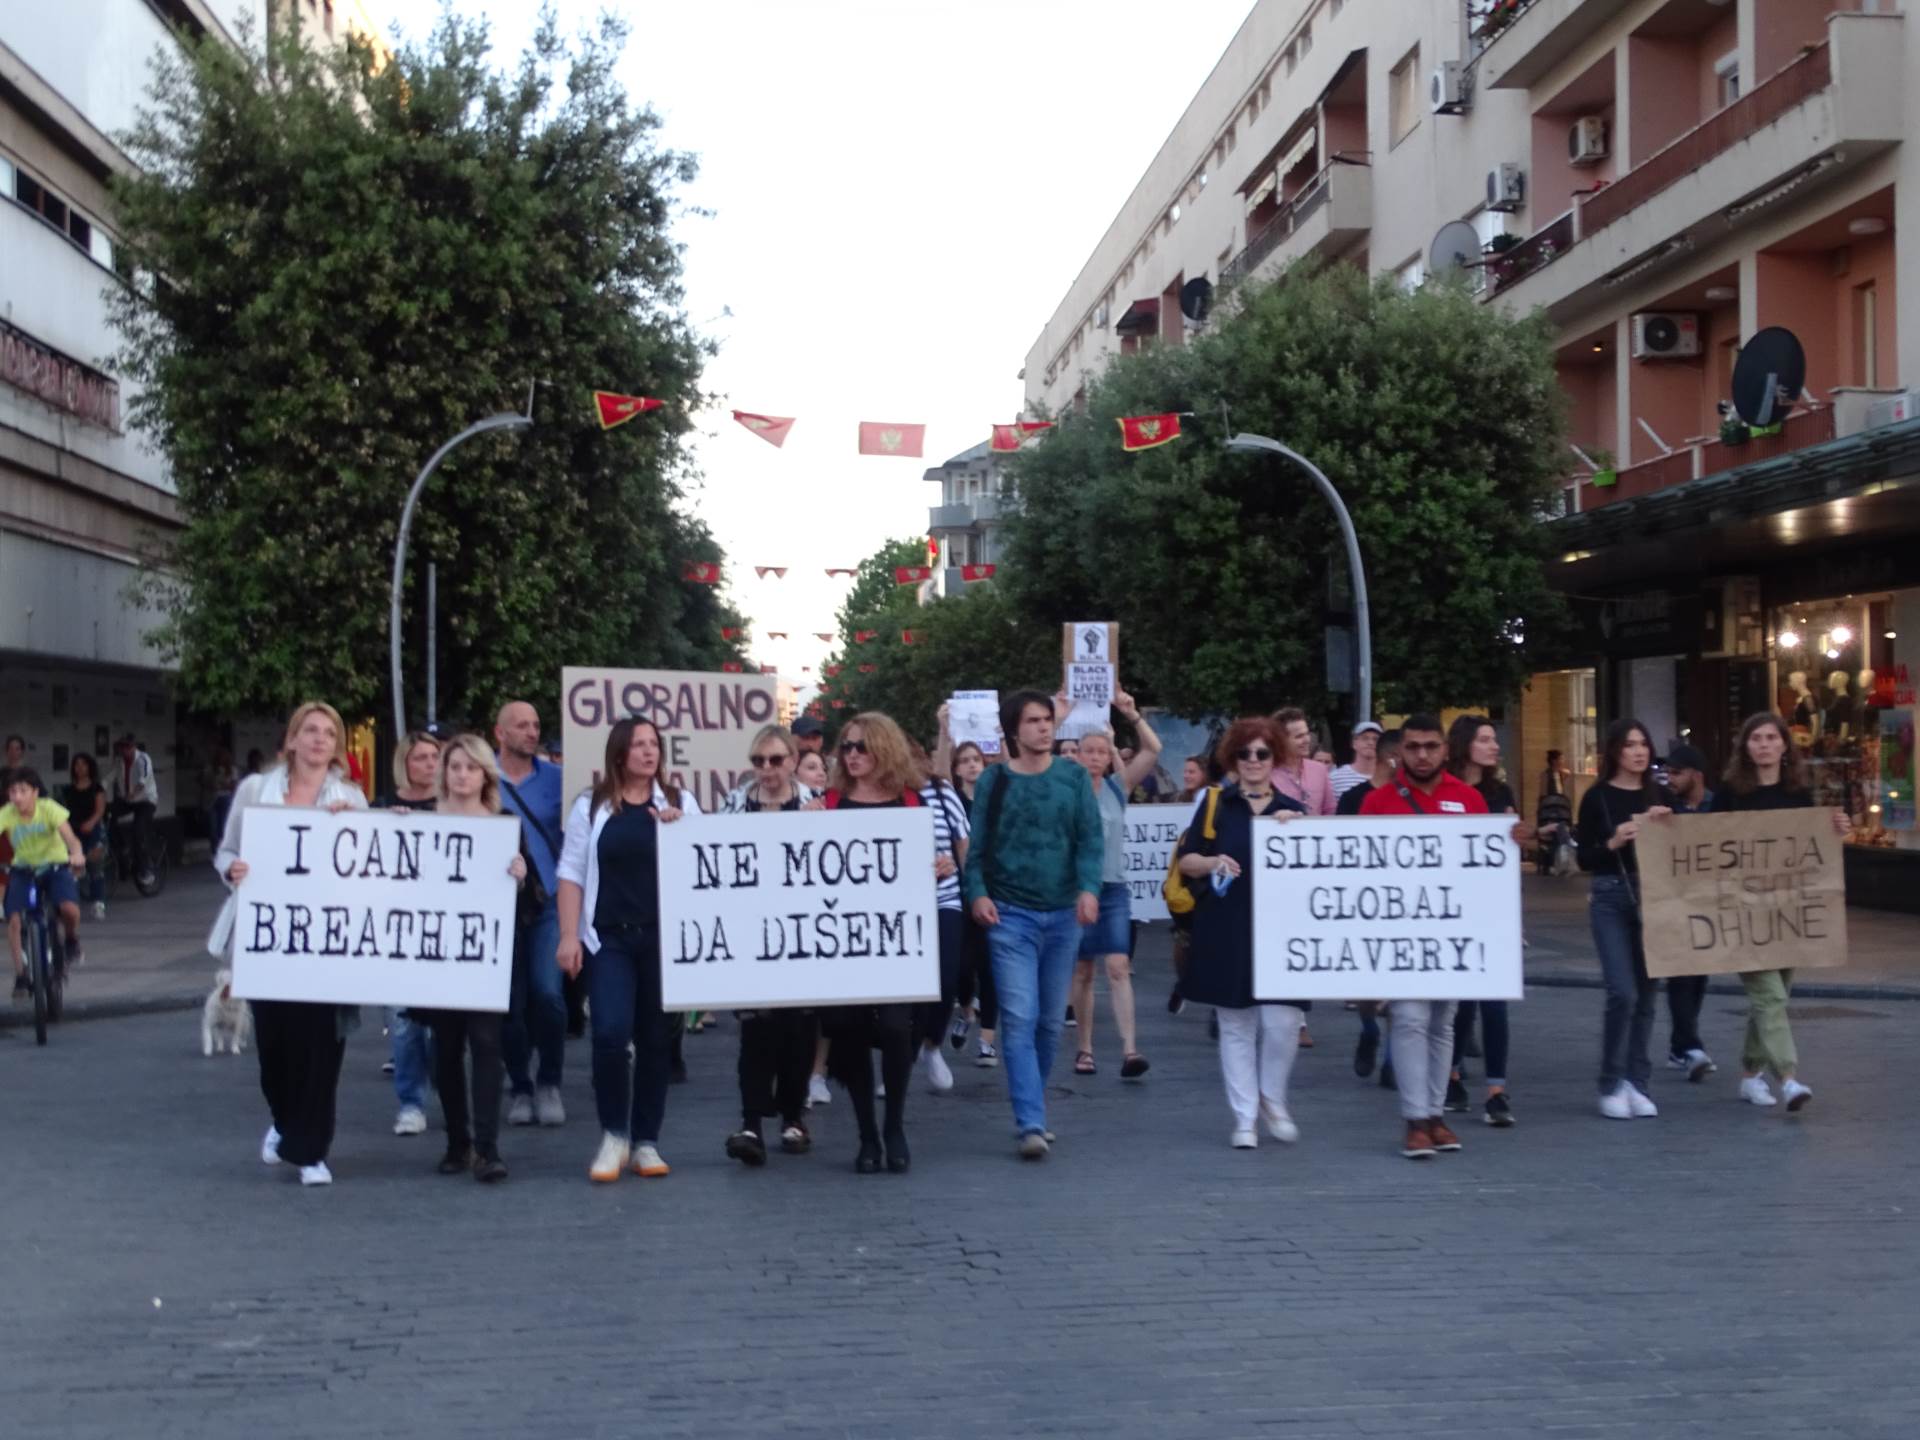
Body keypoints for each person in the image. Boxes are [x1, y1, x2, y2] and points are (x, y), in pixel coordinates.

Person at [215, 702, 367, 1186]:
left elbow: (369, 863)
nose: (320, 739)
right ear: (293, 739)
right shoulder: (256, 791)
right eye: (311, 730)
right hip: (269, 941)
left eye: (329, 733)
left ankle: (312, 1148)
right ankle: (284, 1121)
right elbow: (228, 849)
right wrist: (231, 870)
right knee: (276, 1046)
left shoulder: (351, 798)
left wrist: (352, 825)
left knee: (321, 1044)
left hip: (327, 944)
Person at [1360, 714, 1520, 1159]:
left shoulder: (1468, 798)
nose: (1423, 755)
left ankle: (1435, 1114)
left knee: (1441, 1021)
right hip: (1399, 930)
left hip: (1454, 932)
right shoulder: (1378, 803)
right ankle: (1416, 1118)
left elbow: (1488, 868)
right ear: (1400, 751)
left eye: (1431, 746)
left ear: (1445, 750)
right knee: (1410, 1017)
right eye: (1413, 747)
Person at [963, 690, 1102, 1161]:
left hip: (1064, 914)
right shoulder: (994, 781)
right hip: (1010, 915)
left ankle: (1033, 1106)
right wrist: (977, 892)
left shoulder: (1074, 777)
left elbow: (1089, 840)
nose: (1044, 727)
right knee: (1019, 1016)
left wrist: (1089, 888)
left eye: (1047, 719)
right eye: (1033, 721)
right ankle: (1030, 1121)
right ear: (1013, 731)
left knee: (1048, 1021)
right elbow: (976, 846)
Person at [558, 717, 696, 1182]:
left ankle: (646, 1140)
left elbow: (703, 864)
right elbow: (572, 872)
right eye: (638, 745)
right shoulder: (592, 806)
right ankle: (613, 1133)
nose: (648, 752)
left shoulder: (680, 803)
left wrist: (681, 831)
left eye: (654, 744)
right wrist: (568, 934)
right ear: (619, 753)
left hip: (662, 938)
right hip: (609, 938)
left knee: (657, 1039)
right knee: (611, 1034)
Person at [1175, 718, 1309, 1147]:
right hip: (1227, 923)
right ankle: (1245, 1117)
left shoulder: (1292, 809)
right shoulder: (1216, 803)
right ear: (1233, 758)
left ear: (1275, 759)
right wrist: (1214, 863)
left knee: (1283, 1020)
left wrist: (1300, 829)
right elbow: (1187, 860)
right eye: (1244, 753)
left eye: (1262, 753)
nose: (1253, 761)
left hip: (1281, 930)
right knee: (1235, 1023)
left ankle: (1273, 1097)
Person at [1706, 713, 1850, 1114]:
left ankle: (1750, 1077)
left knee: (1774, 996)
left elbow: (1812, 843)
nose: (1764, 745)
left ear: (1785, 746)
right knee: (1769, 996)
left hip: (1787, 912)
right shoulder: (1730, 792)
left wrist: (1835, 826)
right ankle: (1788, 1079)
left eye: (1771, 738)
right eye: (1756, 738)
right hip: (1743, 912)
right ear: (1746, 747)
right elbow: (1703, 843)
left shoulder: (1798, 792)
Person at [815, 713, 928, 1173]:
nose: (853, 754)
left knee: (899, 1029)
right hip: (841, 939)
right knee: (851, 1033)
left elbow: (920, 862)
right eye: (847, 747)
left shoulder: (909, 803)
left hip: (895, 939)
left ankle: (895, 1123)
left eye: (862, 746)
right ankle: (866, 1133)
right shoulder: (829, 803)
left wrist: (936, 866)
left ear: (884, 748)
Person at [420, 734, 528, 1182]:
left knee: (486, 1045)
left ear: (485, 774)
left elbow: (526, 899)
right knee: (445, 1051)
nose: (462, 774)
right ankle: (456, 1142)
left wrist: (520, 876)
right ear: (444, 773)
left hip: (485, 957)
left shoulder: (504, 824)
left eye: (470, 767)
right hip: (437, 958)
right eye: (454, 766)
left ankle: (487, 1147)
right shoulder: (423, 821)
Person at [720, 724, 820, 1166]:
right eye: (758, 761)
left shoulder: (816, 806)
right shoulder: (734, 805)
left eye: (775, 760)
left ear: (793, 761)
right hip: (751, 934)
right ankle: (751, 1123)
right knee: (756, 1030)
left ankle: (794, 1115)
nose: (766, 769)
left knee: (799, 1030)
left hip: (803, 933)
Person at [1576, 718, 1670, 1122]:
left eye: (1643, 744)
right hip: (1612, 896)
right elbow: (1584, 858)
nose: (1639, 751)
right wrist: (1613, 841)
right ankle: (1611, 1082)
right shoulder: (1597, 797)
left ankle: (1638, 1081)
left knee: (1648, 994)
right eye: (1630, 745)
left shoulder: (1659, 793)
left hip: (1654, 897)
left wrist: (1671, 824)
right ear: (1615, 751)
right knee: (1623, 991)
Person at [1067, 690, 1162, 1080]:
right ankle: (1085, 1049)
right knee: (1084, 970)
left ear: (1109, 757)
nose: (1093, 757)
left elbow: (1153, 750)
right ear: (1076, 755)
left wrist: (1131, 715)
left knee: (1119, 965)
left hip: (1113, 888)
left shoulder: (1116, 788)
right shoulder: (1064, 791)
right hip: (1075, 890)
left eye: (1100, 751)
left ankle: (1130, 1050)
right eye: (1087, 751)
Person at [1444, 715, 1532, 1128]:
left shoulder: (1500, 792)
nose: (1494, 746)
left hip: (1491, 907)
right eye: (1484, 739)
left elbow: (1507, 850)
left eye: (1494, 739)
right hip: (1450, 908)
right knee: (1460, 1004)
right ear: (1465, 745)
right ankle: (1452, 1073)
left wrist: (1520, 839)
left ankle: (1496, 1089)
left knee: (1494, 1004)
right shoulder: (1444, 791)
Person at [494, 700, 568, 1128]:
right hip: (500, 904)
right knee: (509, 1002)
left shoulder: (559, 780)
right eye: (521, 725)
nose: (531, 731)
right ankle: (521, 1085)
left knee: (548, 994)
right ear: (499, 732)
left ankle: (550, 1082)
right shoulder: (482, 776)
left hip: (548, 902)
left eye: (536, 724)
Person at [377, 730, 443, 1140]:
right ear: (405, 762)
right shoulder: (382, 807)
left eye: (435, 757)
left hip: (442, 930)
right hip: (395, 930)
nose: (430, 765)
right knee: (403, 1023)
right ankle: (411, 1103)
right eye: (421, 758)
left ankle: (443, 1086)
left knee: (438, 1026)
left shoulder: (456, 806)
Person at [906, 737, 970, 1097]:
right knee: (906, 989)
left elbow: (964, 845)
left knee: (946, 979)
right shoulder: (887, 797)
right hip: (903, 904)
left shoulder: (943, 793)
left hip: (945, 899)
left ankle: (932, 1046)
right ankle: (903, 1056)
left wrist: (971, 888)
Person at [1660, 742, 1717, 1082]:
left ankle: (1678, 1047)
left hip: (1709, 904)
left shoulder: (1718, 805)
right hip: (1674, 902)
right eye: (1667, 773)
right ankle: (1691, 1045)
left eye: (1676, 773)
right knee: (1680, 974)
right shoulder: (1665, 806)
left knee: (1698, 977)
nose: (1670, 779)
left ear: (1696, 775)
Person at [4, 766, 86, 996]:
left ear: (35, 792)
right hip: (22, 870)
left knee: (69, 909)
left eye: (22, 790)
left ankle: (71, 940)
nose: (17, 797)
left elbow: (71, 839)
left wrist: (77, 854)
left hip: (55, 867)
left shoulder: (49, 809)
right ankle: (21, 976)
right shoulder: (7, 813)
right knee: (13, 919)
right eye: (12, 792)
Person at [945, 738, 999, 1066]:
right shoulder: (952, 802)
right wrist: (943, 729)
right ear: (956, 768)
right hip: (960, 893)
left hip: (995, 890)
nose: (971, 765)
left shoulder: (995, 801)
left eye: (976, 759)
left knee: (990, 967)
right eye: (964, 760)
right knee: (962, 968)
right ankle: (967, 1009)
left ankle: (988, 1040)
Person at [110, 733, 160, 886]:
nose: (124, 750)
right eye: (122, 747)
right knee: (110, 816)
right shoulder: (119, 761)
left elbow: (143, 779)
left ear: (133, 746)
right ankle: (123, 849)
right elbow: (111, 776)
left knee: (138, 831)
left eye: (127, 747)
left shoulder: (143, 759)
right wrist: (100, 786)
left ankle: (146, 869)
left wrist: (134, 792)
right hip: (129, 800)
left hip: (146, 801)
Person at [64, 753, 109, 921]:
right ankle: (73, 905)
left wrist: (91, 823)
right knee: (74, 869)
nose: (80, 768)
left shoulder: (97, 788)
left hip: (93, 829)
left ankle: (98, 904)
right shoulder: (68, 790)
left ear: (89, 767)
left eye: (83, 764)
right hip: (74, 831)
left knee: (95, 867)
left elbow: (100, 810)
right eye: (77, 764)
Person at [1272, 707, 1337, 816]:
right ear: (1281, 740)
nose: (1307, 740)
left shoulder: (1319, 769)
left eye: (1307, 734)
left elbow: (1330, 811)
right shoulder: (1267, 773)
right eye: (1299, 736)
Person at [1328, 721, 1383, 801]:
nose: (1370, 743)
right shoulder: (1335, 778)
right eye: (1365, 738)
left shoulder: (1388, 779)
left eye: (1375, 739)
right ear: (1354, 743)